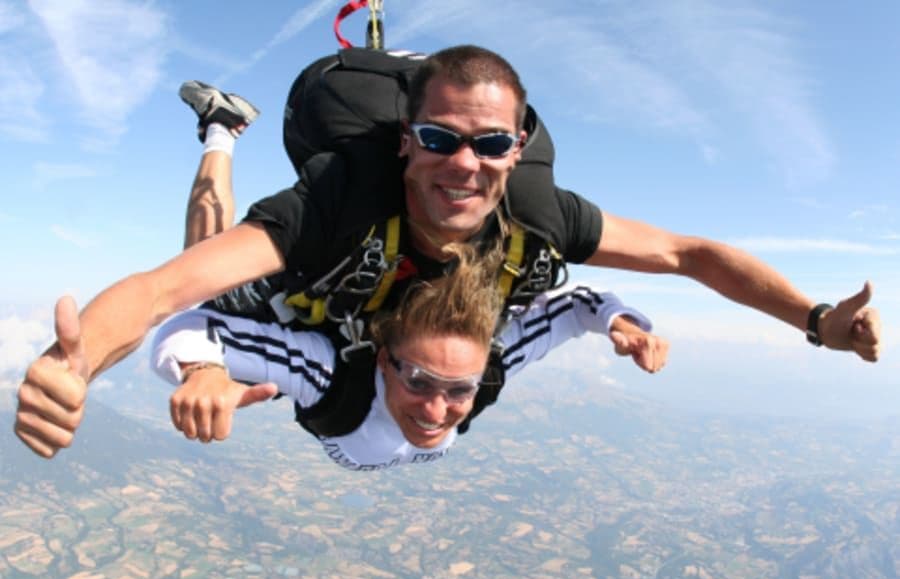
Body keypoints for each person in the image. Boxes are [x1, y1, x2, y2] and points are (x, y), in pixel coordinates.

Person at [15, 45, 881, 460]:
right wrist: (81, 359)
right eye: (439, 136)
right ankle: (221, 132)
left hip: (387, 323)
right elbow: (165, 291)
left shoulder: (540, 215)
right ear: (402, 142)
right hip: (311, 294)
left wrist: (814, 321)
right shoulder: (340, 196)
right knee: (208, 271)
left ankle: (219, 132)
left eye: (492, 144)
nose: (465, 164)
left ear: (519, 143)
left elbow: (692, 254)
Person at [151, 244, 661, 470]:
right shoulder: (330, 374)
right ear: (381, 359)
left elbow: (575, 306)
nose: (438, 412)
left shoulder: (487, 369)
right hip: (313, 342)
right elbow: (185, 326)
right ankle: (221, 131)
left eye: (460, 388)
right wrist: (203, 370)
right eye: (418, 380)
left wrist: (622, 322)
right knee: (207, 259)